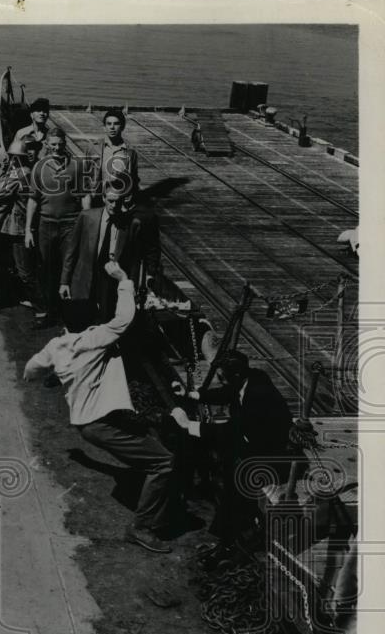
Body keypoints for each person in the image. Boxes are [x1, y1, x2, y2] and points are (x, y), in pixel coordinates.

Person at [25, 262, 178, 554]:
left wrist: (50, 375)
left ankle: (147, 489)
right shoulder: (95, 339)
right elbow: (124, 318)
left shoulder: (58, 345)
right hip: (101, 425)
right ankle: (142, 528)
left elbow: (32, 369)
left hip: (90, 424)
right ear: (90, 322)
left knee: (148, 438)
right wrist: (123, 280)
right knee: (164, 462)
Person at [170, 349, 294, 555]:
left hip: (269, 452)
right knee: (213, 452)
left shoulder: (257, 396)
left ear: (235, 375)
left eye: (221, 377)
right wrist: (193, 395)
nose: (220, 380)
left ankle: (227, 541)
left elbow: (230, 431)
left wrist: (187, 424)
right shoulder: (250, 377)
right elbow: (228, 392)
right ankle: (198, 492)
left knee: (235, 479)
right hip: (251, 439)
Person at [60, 185, 160, 321]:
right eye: (110, 201)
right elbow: (71, 252)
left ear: (123, 200)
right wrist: (65, 282)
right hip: (87, 276)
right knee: (82, 319)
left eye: (117, 202)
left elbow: (135, 260)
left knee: (106, 319)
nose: (114, 205)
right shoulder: (87, 217)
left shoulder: (132, 224)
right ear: (103, 198)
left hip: (110, 280)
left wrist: (132, 287)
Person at [26, 127, 84, 323]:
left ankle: (68, 311)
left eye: (60, 145)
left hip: (70, 224)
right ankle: (48, 311)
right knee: (46, 268)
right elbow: (33, 200)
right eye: (53, 145)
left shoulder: (76, 166)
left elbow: (84, 196)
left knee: (68, 266)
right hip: (46, 223)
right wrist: (28, 229)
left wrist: (85, 222)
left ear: (65, 144)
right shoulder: (39, 167)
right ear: (47, 145)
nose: (57, 149)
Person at [0, 140, 43, 322]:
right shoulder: (26, 172)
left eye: (14, 157)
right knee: (17, 267)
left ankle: (41, 307)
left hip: (17, 227)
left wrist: (1, 170)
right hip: (14, 225)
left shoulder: (21, 174)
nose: (11, 160)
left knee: (25, 271)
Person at [87, 108, 140, 201]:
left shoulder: (130, 152)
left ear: (122, 127)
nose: (112, 127)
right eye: (109, 124)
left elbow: (134, 179)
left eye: (116, 124)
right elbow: (85, 175)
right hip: (97, 200)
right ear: (104, 127)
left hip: (119, 201)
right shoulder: (93, 148)